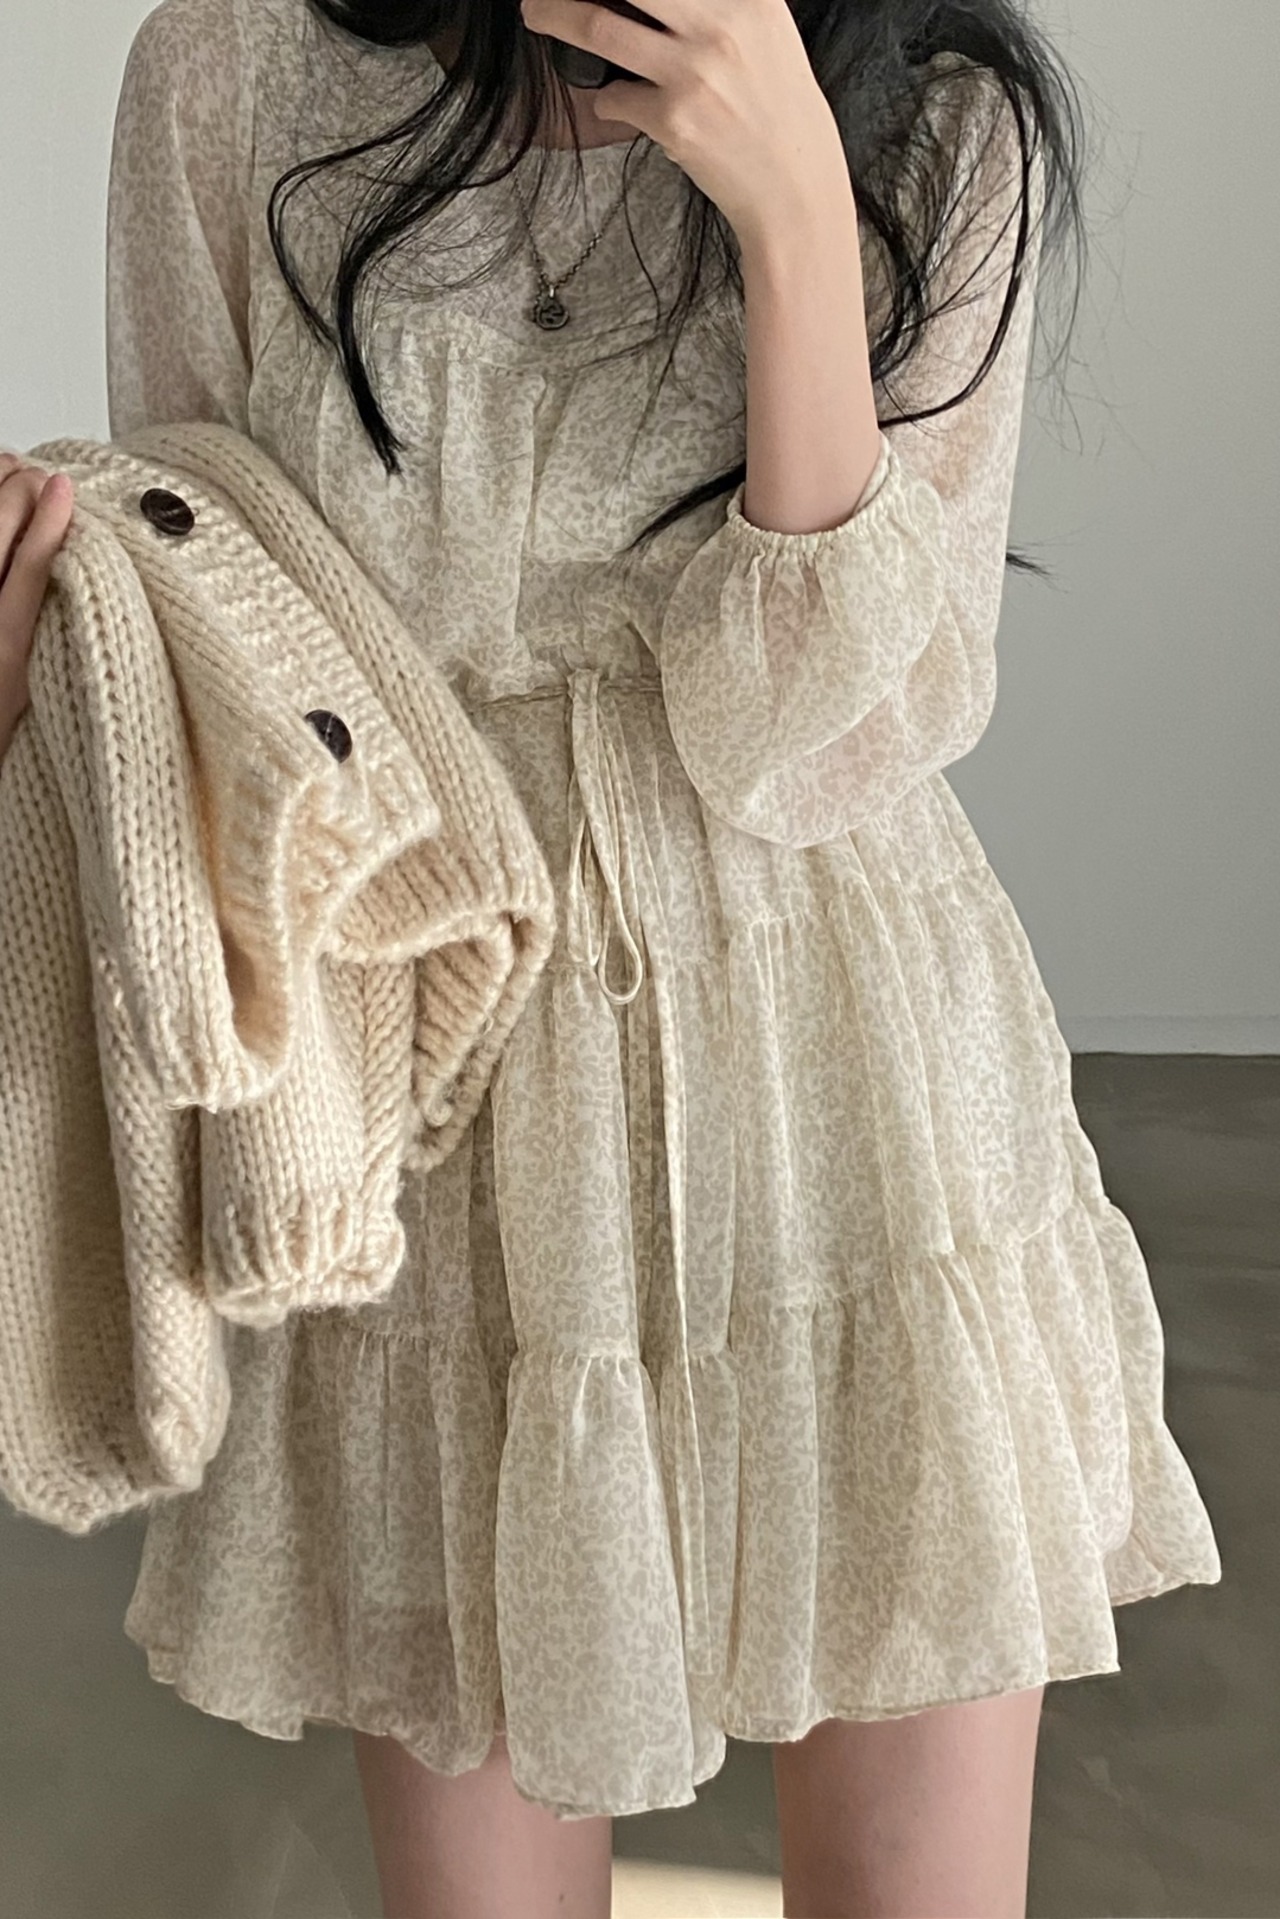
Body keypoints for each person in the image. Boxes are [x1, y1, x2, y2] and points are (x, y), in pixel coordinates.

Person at [1, 0, 1221, 1914]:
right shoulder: (231, 71)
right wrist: (61, 662)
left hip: (854, 1120)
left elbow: (804, 745)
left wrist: (796, 210)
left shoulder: (940, 125)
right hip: (459, 1139)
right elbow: (222, 645)